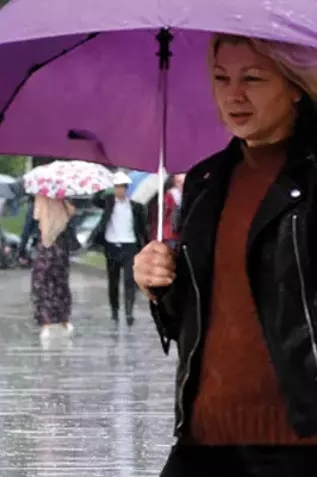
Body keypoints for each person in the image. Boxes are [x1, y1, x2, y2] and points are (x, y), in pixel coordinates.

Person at [134, 34, 317, 476]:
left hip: (301, 443)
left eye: (252, 78)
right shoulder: (205, 180)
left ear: (295, 84)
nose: (233, 94)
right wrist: (158, 282)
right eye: (221, 78)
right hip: (204, 437)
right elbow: (193, 320)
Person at [92, 172, 149, 326]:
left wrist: (146, 245)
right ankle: (115, 311)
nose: (119, 191)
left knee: (130, 279)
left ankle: (129, 312)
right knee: (113, 280)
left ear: (126, 189)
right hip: (112, 246)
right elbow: (95, 200)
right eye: (116, 187)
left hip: (129, 245)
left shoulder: (135, 207)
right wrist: (101, 185)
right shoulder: (109, 202)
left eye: (122, 187)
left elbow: (142, 228)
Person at [31, 196, 75, 340]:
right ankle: (64, 320)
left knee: (42, 286)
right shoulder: (63, 202)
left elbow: (32, 222)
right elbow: (70, 220)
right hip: (61, 249)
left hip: (45, 249)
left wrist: (22, 249)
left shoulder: (40, 201)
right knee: (60, 285)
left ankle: (47, 322)